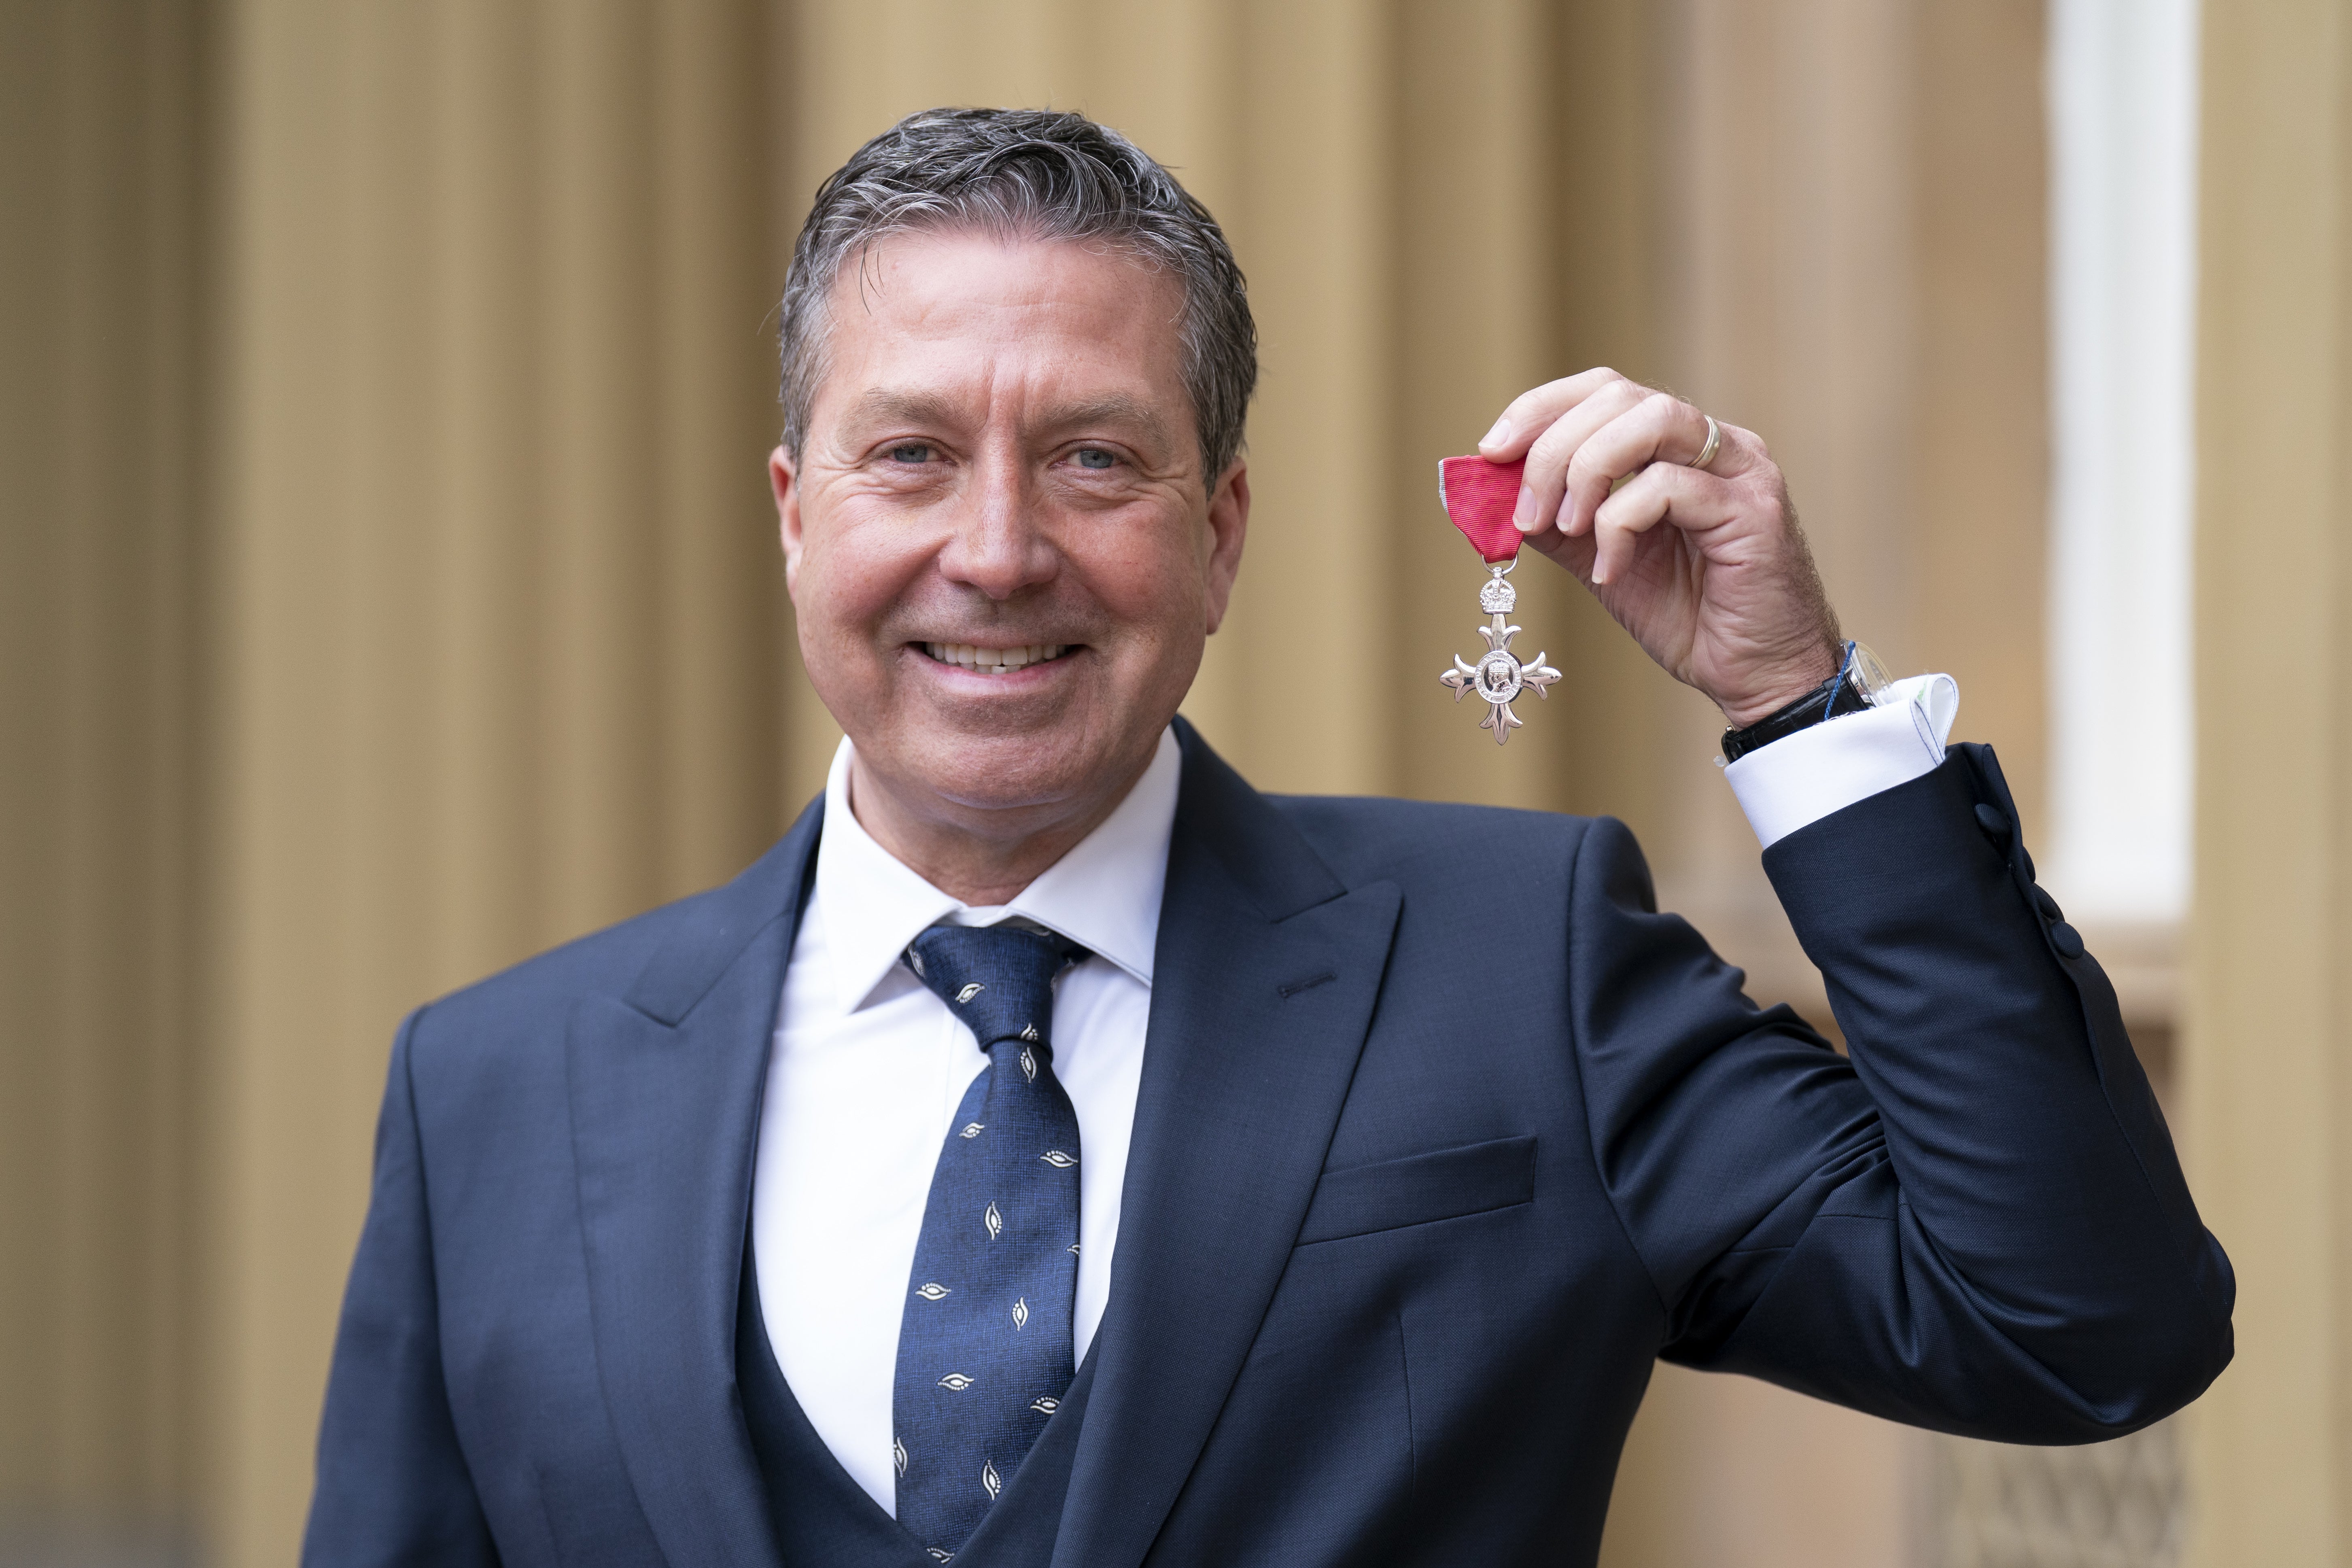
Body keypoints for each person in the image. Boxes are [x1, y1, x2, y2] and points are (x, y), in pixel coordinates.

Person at [303, 108, 2229, 1568]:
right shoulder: (493, 1094)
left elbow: (2077, 1330)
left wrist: (1795, 704)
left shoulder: (1523, 970)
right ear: (799, 515)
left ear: (1219, 534)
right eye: (912, 456)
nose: (998, 549)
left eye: (1094, 457)